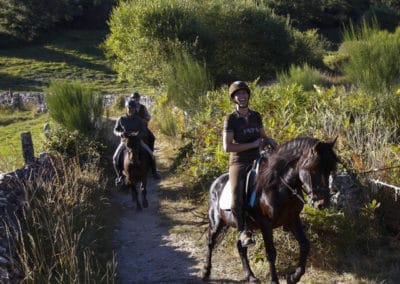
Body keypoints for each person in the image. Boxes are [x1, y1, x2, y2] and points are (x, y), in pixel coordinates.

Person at [223, 80, 277, 247]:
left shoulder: (256, 115)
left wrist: (269, 140)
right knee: (236, 196)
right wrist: (253, 144)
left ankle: (287, 218)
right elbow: (227, 146)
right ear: (233, 98)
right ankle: (243, 231)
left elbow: (262, 135)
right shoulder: (231, 119)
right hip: (239, 161)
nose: (242, 96)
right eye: (238, 94)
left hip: (259, 158)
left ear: (248, 95)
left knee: (280, 179)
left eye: (244, 93)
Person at [113, 100, 160, 186]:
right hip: (125, 142)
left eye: (133, 109)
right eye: (130, 108)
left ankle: (154, 172)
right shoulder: (121, 119)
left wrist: (138, 135)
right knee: (115, 157)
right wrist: (120, 134)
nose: (131, 110)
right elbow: (115, 130)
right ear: (127, 108)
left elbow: (144, 130)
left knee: (151, 154)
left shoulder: (138, 119)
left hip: (137, 141)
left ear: (135, 109)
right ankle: (119, 176)